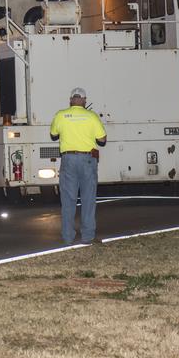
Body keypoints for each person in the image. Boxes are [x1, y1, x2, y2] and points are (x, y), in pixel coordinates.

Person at [49, 88, 106, 244]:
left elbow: (53, 134)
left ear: (71, 100)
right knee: (88, 199)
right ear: (84, 100)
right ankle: (87, 236)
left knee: (68, 200)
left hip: (68, 159)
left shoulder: (61, 115)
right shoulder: (91, 116)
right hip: (87, 160)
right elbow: (102, 139)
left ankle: (68, 236)